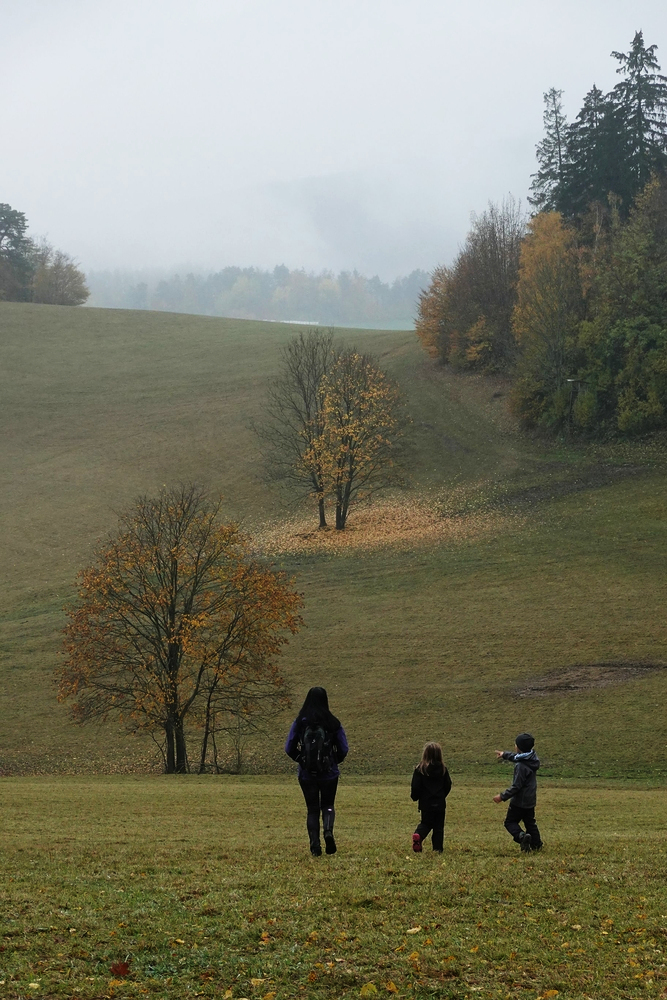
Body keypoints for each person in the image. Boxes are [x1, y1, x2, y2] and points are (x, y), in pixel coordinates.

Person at [285, 686, 348, 857]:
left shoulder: (300, 722)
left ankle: (315, 846)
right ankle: (328, 830)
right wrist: (334, 761)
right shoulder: (332, 722)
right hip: (329, 773)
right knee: (328, 805)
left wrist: (302, 760)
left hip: (306, 775)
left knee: (312, 809)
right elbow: (343, 748)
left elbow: (289, 747)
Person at [493, 732, 543, 852]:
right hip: (530, 799)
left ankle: (522, 836)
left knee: (510, 822)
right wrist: (504, 754)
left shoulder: (520, 766)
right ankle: (537, 844)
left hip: (519, 801)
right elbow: (515, 757)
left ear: (519, 747)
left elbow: (516, 787)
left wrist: (502, 796)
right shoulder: (532, 758)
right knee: (530, 822)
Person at [410, 742, 452, 853]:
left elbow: (415, 786)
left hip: (425, 803)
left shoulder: (420, 769)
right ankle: (437, 849)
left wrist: (415, 797)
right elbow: (448, 785)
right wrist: (442, 796)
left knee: (426, 823)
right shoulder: (443, 769)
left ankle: (418, 835)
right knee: (438, 828)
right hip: (439, 803)